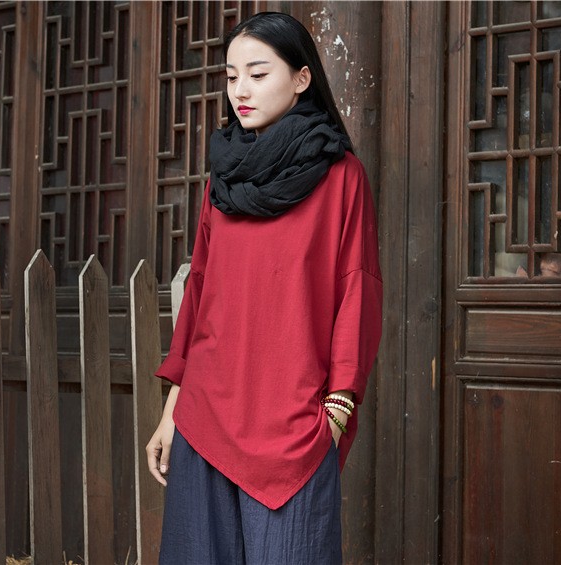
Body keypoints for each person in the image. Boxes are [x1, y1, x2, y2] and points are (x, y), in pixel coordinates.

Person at [146, 11, 383, 564]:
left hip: (291, 430)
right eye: (232, 77)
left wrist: (336, 412)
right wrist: (173, 408)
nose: (240, 91)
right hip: (204, 419)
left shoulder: (341, 177)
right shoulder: (223, 178)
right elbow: (200, 294)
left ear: (302, 78)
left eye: (257, 74)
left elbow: (358, 292)